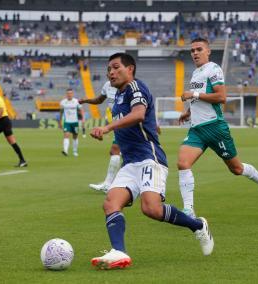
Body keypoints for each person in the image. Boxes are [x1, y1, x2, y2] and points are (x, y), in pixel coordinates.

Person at [89, 53, 213, 270]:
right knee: (110, 203)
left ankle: (198, 225)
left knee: (151, 209)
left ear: (130, 69)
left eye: (116, 67)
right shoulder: (118, 97)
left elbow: (138, 114)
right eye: (108, 69)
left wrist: (107, 128)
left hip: (149, 158)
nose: (111, 72)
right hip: (130, 163)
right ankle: (119, 252)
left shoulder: (135, 88)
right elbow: (141, 120)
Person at [178, 38, 258, 217]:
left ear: (208, 51)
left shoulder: (214, 69)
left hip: (215, 128)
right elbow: (199, 100)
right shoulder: (195, 73)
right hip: (197, 129)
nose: (195, 53)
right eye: (192, 51)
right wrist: (188, 112)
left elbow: (221, 97)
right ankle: (188, 210)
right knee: (183, 163)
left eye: (199, 49)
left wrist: (194, 94)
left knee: (236, 169)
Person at [79, 80, 121, 192]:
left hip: (127, 122)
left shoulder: (128, 85)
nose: (111, 73)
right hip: (118, 122)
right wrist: (86, 100)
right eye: (109, 70)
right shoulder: (107, 85)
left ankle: (109, 184)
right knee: (117, 152)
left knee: (117, 151)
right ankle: (111, 184)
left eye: (114, 69)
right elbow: (99, 99)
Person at [59, 88, 82, 157]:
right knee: (66, 135)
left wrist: (82, 119)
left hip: (75, 122)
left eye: (70, 93)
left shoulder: (76, 101)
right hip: (67, 122)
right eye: (68, 93)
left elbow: (80, 110)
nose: (69, 95)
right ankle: (65, 151)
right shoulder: (63, 102)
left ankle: (75, 151)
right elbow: (61, 112)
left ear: (72, 94)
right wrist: (60, 121)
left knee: (75, 137)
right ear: (66, 94)